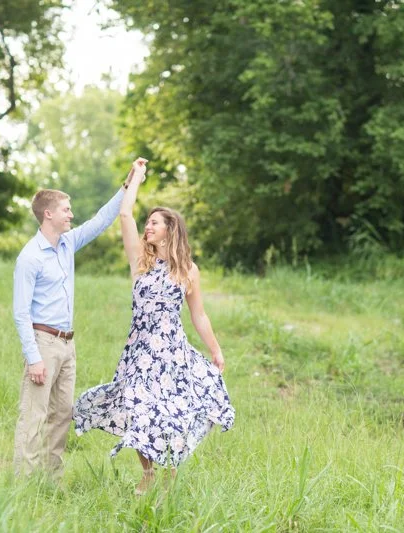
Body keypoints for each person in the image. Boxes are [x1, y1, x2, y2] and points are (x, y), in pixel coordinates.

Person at [73, 159, 235, 494]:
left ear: (170, 230)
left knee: (170, 410)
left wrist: (216, 351)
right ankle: (148, 472)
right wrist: (137, 177)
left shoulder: (188, 270)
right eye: (147, 222)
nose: (148, 227)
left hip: (172, 351)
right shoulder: (140, 262)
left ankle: (170, 469)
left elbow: (199, 316)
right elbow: (125, 215)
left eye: (155, 223)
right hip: (139, 349)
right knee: (138, 407)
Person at [12, 162, 139, 477]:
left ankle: (51, 480)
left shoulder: (67, 244)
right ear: (48, 214)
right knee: (34, 416)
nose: (71, 215)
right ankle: (23, 485)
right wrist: (33, 358)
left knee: (61, 415)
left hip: (67, 344)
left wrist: (126, 187)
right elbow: (21, 312)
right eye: (66, 210)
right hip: (43, 344)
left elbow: (101, 220)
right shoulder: (30, 257)